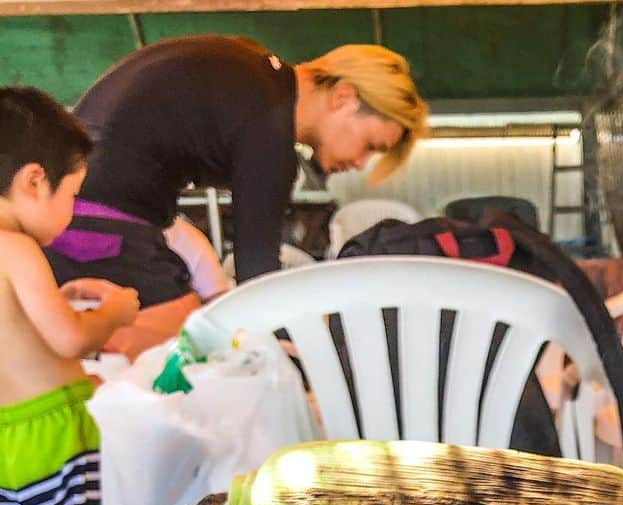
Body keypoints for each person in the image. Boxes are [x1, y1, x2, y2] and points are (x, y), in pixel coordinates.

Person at [46, 38, 428, 309]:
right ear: (343, 97)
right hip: (100, 232)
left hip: (67, 216)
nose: (361, 164)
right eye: (371, 146)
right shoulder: (269, 128)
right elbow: (258, 277)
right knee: (190, 336)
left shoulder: (250, 73)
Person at [0, 87, 139, 505]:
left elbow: (20, 342)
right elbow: (68, 338)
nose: (72, 213)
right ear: (35, 180)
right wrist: (117, 310)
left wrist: (55, 299)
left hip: (11, 441)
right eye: (73, 195)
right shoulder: (15, 245)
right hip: (57, 437)